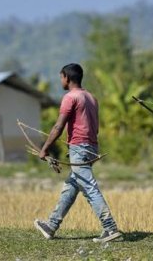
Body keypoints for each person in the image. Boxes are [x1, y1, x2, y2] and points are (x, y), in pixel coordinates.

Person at [34, 63, 122, 243]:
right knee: (71, 186)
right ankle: (51, 225)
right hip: (91, 147)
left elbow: (58, 126)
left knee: (89, 187)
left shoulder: (70, 97)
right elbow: (95, 128)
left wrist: (44, 149)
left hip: (79, 148)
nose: (61, 81)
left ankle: (111, 229)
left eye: (61, 77)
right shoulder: (91, 97)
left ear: (66, 77)